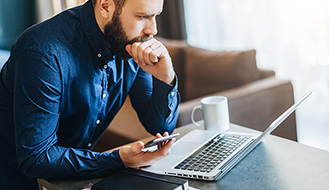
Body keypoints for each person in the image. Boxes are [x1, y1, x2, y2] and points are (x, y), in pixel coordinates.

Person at [0, 0, 180, 189]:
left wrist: (166, 77)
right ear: (105, 6)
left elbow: (159, 126)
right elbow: (36, 158)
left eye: (156, 15)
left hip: (68, 178)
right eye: (143, 16)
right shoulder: (43, 52)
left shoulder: (130, 44)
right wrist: (118, 160)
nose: (153, 30)